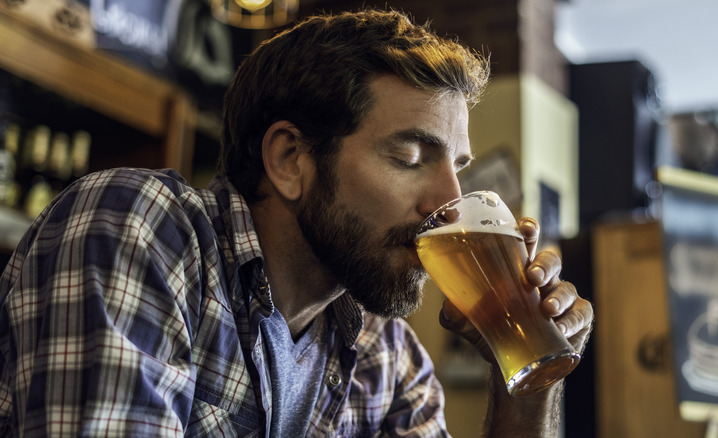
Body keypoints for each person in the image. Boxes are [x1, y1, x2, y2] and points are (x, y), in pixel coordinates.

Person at [0, 8, 593, 437]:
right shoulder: (145, 230)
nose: (447, 200)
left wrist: (526, 380)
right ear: (290, 160)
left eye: (458, 168)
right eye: (411, 158)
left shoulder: (386, 360)